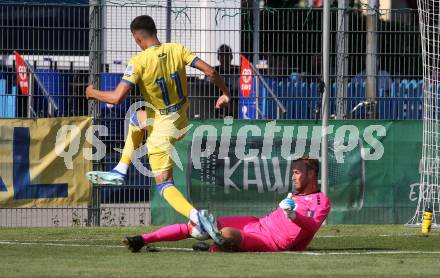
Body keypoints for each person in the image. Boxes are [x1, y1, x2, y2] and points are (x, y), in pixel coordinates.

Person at [85, 15, 231, 243]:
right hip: (181, 120)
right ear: (154, 31)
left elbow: (115, 98)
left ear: (137, 38)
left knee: (164, 184)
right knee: (136, 118)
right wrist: (225, 93)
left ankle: (197, 217)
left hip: (162, 129)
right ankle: (120, 170)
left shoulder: (139, 61)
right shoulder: (177, 49)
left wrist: (92, 93)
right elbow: (211, 72)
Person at [124, 157, 331, 253]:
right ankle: (143, 239)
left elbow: (312, 226)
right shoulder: (293, 196)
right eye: (293, 172)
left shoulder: (321, 201)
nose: (293, 177)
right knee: (195, 226)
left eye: (297, 172)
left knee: (227, 232)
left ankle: (216, 242)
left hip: (271, 242)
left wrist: (294, 216)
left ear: (311, 174)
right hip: (257, 223)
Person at [213, 44, 240, 118]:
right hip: (216, 100)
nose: (224, 58)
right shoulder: (214, 71)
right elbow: (208, 86)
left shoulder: (238, 70)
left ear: (231, 57)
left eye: (227, 55)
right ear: (218, 57)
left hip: (235, 101)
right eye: (222, 55)